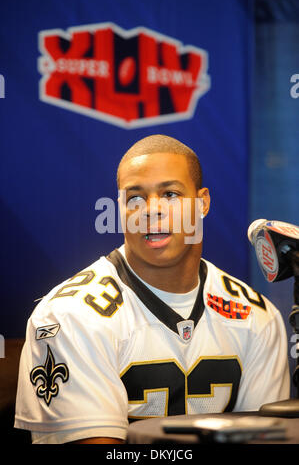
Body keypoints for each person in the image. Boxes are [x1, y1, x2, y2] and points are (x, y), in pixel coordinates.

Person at [14, 134, 290, 444]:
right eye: (135, 198)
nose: (151, 210)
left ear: (203, 203)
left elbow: (264, 440)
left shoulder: (257, 316)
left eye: (170, 194)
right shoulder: (68, 317)